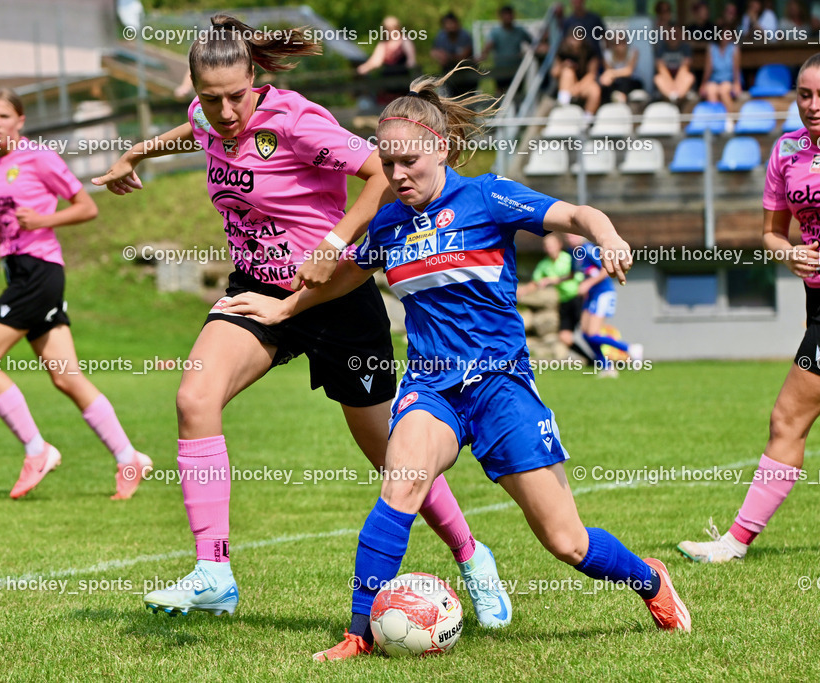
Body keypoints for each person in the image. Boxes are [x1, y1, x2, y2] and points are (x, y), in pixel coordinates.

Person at [223, 67, 691, 661]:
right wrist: (284, 305)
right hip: (431, 388)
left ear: (440, 148)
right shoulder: (388, 222)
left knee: (566, 541)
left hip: (500, 387)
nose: (396, 175)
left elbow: (577, 215)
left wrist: (609, 235)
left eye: (408, 162)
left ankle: (648, 578)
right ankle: (359, 634)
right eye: (387, 164)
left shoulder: (487, 197)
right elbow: (343, 277)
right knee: (399, 488)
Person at [91, 14, 510, 624]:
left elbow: (375, 175)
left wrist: (334, 243)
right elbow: (191, 132)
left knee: (392, 455)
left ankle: (473, 557)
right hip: (257, 295)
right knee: (193, 398)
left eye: (236, 96)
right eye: (212, 99)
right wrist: (136, 153)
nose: (227, 111)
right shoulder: (207, 118)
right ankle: (214, 572)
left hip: (334, 295)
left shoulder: (294, 118)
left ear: (254, 78)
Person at [678, 51, 820, 563]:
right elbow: (771, 233)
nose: (813, 105)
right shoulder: (785, 151)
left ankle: (734, 542)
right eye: (804, 95)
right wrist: (790, 251)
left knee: (786, 419)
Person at [0, 89, 152, 500]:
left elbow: (86, 206)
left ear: (20, 120)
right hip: (19, 271)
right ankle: (129, 457)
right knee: (66, 377)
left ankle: (38, 451)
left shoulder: (38, 157)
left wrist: (42, 219)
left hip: (39, 271)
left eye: (3, 115)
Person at [566, 233, 642, 376]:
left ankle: (630, 348)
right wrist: (550, 281)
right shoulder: (572, 253)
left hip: (602, 293)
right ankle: (607, 367)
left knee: (593, 333)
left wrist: (588, 283)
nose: (570, 239)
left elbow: (606, 269)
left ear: (580, 236)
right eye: (567, 237)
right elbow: (571, 274)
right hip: (591, 295)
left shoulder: (588, 249)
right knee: (585, 334)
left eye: (573, 236)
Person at [518, 233, 595, 365]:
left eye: (551, 245)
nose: (549, 248)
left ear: (559, 245)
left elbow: (579, 276)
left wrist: (553, 280)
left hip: (577, 298)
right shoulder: (544, 264)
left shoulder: (569, 258)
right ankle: (591, 360)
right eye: (546, 246)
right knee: (564, 337)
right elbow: (536, 282)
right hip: (564, 301)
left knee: (589, 332)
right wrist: (521, 292)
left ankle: (605, 358)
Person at [356, 16, 417, 106]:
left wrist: (410, 62)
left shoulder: (404, 40)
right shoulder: (384, 44)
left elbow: (411, 59)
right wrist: (365, 67)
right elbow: (376, 61)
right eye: (387, 28)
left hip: (401, 81)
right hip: (387, 82)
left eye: (392, 28)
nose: (389, 31)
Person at [479, 5, 532, 94]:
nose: (508, 17)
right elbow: (488, 46)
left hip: (516, 69)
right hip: (501, 70)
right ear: (501, 17)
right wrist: (483, 55)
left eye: (509, 14)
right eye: (505, 14)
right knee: (501, 94)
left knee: (517, 94)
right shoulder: (495, 32)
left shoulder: (520, 31)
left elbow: (532, 43)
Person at [551, 32, 601, 117]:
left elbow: (591, 75)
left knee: (595, 90)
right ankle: (562, 108)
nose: (574, 41)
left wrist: (577, 88)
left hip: (584, 85)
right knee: (567, 72)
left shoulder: (590, 52)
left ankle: (586, 121)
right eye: (572, 38)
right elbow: (554, 73)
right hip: (566, 86)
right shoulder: (563, 51)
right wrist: (563, 66)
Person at [431, 12, 477, 97]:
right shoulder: (441, 36)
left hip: (467, 76)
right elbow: (434, 52)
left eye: (451, 23)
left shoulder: (465, 36)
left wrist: (447, 57)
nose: (450, 26)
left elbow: (463, 56)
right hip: (449, 75)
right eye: (447, 23)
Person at [700, 23, 741, 112]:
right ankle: (715, 120)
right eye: (724, 34)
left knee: (723, 91)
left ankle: (730, 120)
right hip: (714, 80)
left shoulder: (734, 48)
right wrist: (703, 84)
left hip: (728, 80)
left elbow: (736, 68)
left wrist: (737, 83)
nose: (726, 37)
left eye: (728, 34)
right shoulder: (711, 47)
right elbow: (708, 69)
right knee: (711, 91)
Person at [653, 17, 695, 103]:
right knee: (658, 78)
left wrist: (676, 85)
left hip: (681, 79)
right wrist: (672, 85)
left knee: (689, 77)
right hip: (666, 79)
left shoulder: (685, 47)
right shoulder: (661, 47)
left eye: (675, 34)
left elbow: (685, 67)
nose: (673, 37)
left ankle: (677, 98)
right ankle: (672, 98)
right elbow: (661, 68)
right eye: (670, 34)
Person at [599, 33, 643, 104]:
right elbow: (608, 73)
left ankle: (621, 99)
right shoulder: (608, 54)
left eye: (623, 41)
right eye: (617, 42)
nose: (620, 45)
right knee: (605, 85)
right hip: (616, 83)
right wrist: (608, 76)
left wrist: (612, 73)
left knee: (625, 81)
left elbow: (629, 72)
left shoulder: (633, 52)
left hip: (632, 82)